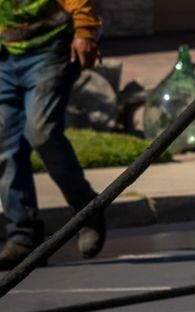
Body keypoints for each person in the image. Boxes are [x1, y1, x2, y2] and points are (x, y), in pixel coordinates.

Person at [0, 0, 105, 270]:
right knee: (5, 143)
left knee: (42, 132)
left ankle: (87, 210)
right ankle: (24, 236)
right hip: (5, 56)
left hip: (50, 49)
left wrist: (84, 31)